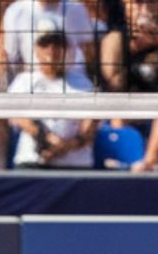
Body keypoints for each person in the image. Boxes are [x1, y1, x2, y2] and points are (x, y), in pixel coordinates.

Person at [8, 20, 97, 169]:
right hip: (32, 160)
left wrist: (65, 146)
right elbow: (19, 117)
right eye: (45, 43)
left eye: (58, 44)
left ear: (66, 49)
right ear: (36, 48)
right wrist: (46, 139)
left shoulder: (84, 83)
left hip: (75, 164)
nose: (52, 49)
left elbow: (90, 126)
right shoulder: (24, 81)